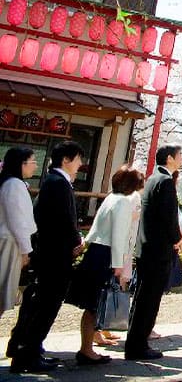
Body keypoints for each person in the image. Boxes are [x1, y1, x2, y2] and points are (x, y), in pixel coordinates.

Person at [6, 141, 84, 373]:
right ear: (66, 160)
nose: (81, 164)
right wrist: (75, 241)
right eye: (78, 159)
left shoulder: (55, 182)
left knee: (40, 303)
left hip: (50, 254)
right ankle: (27, 354)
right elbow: (61, 221)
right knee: (46, 305)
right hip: (54, 256)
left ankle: (28, 348)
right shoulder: (58, 184)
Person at [66, 165, 143, 365]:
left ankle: (88, 346)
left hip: (96, 251)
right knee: (96, 303)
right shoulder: (124, 203)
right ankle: (86, 350)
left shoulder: (110, 198)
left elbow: (99, 228)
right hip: (106, 254)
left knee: (91, 304)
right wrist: (119, 264)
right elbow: (118, 236)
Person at [125, 144, 182, 361]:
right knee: (149, 300)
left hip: (146, 248)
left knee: (142, 298)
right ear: (169, 158)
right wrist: (178, 238)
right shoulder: (166, 181)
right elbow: (168, 216)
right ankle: (138, 345)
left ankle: (134, 341)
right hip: (159, 249)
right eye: (179, 155)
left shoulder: (152, 179)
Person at [0, 148, 38, 319]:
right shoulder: (14, 184)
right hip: (9, 243)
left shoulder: (9, 182)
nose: (35, 167)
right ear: (21, 164)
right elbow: (18, 221)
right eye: (33, 162)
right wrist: (26, 250)